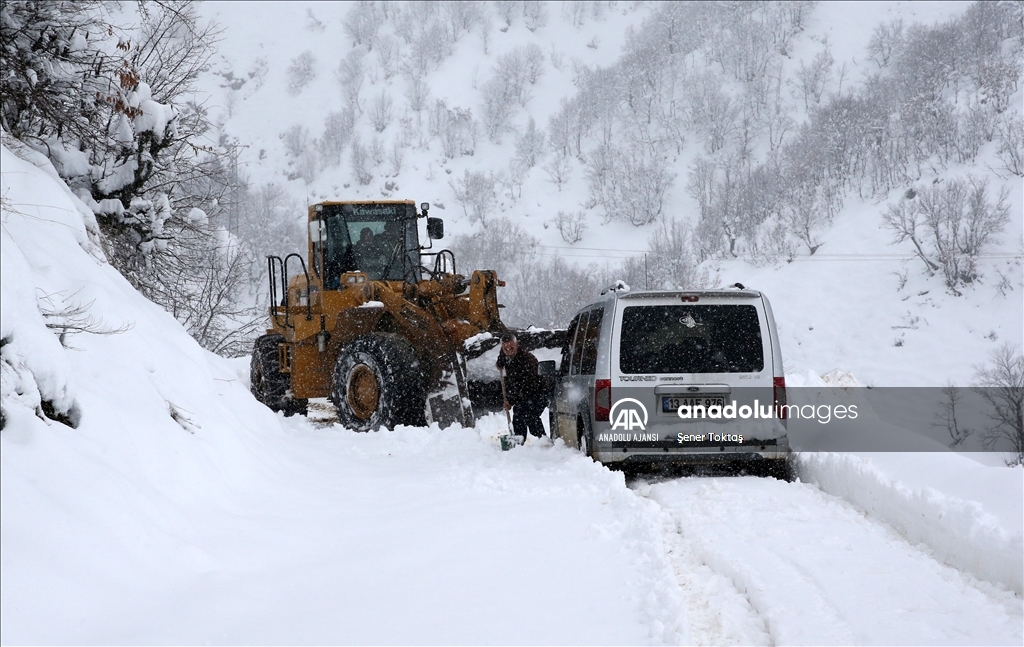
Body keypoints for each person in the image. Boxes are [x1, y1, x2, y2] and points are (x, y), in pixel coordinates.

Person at [495, 332, 547, 441]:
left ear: (517, 345)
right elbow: (502, 356)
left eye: (511, 348)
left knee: (530, 415)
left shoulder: (527, 360)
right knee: (519, 414)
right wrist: (500, 363)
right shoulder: (505, 353)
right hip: (523, 391)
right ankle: (518, 441)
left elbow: (525, 387)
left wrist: (511, 402)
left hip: (538, 391)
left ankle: (543, 441)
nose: (508, 351)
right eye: (505, 349)